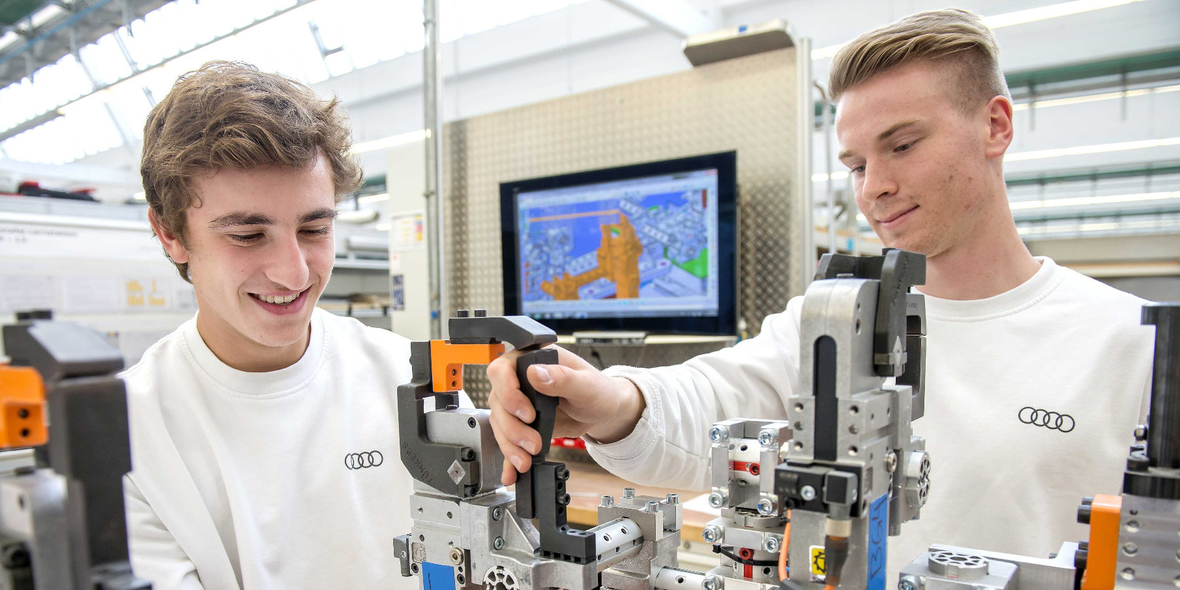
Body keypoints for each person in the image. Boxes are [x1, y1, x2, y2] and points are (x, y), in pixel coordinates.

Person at [486, 8, 1156, 576]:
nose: (874, 188)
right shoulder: (833, 324)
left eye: (902, 146)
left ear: (996, 126)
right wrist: (609, 400)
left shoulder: (1131, 343)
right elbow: (709, 403)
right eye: (857, 165)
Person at [123, 61, 435, 589]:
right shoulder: (128, 431)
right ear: (170, 233)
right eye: (247, 235)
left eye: (314, 229)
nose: (294, 273)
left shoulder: (405, 374)